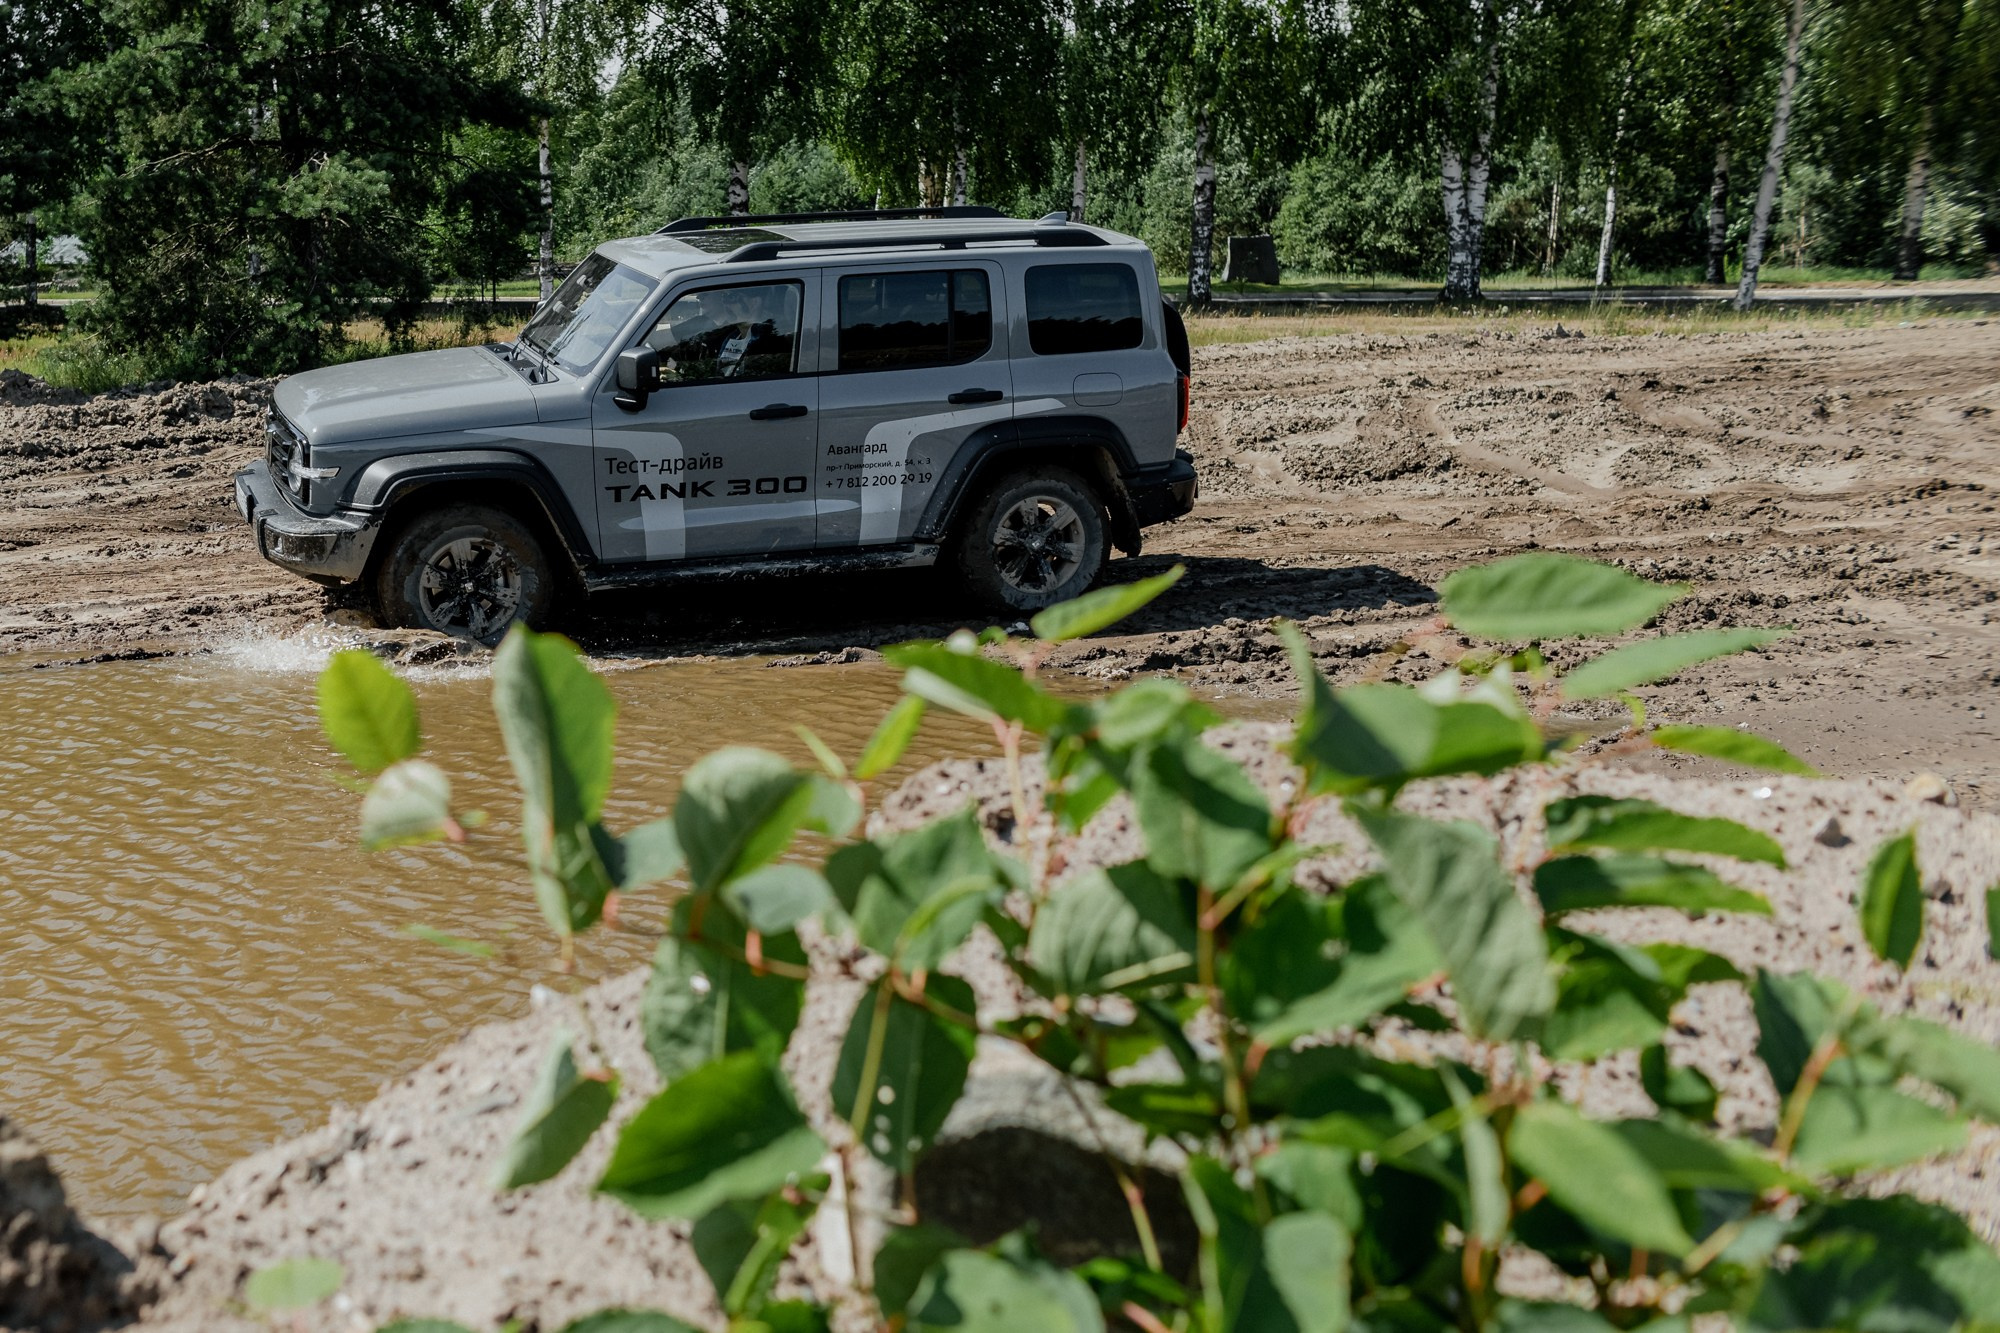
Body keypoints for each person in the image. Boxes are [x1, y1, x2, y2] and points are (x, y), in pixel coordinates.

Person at [649, 284, 796, 382]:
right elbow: (686, 354)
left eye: (732, 298)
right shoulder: (729, 335)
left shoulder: (772, 342)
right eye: (724, 298)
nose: (726, 304)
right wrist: (678, 372)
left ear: (754, 302)